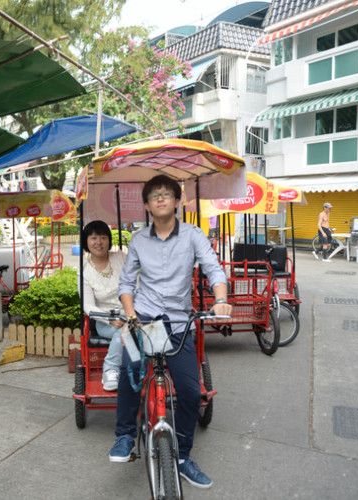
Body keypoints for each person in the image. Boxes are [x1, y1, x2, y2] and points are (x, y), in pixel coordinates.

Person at [110, 174, 233, 490]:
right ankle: (125, 436)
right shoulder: (138, 240)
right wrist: (131, 314)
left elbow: (214, 268)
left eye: (166, 193)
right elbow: (126, 284)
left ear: (178, 200)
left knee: (192, 392)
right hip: (144, 322)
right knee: (129, 371)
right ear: (148, 205)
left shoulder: (193, 235)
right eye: (154, 195)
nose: (160, 198)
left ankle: (183, 456)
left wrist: (221, 300)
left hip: (179, 325)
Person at [80, 220, 126, 391]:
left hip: (132, 314)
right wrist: (111, 319)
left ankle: (134, 369)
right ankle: (111, 368)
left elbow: (136, 286)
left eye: (103, 237)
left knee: (134, 329)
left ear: (109, 240)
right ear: (86, 241)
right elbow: (88, 306)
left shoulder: (121, 258)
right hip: (106, 322)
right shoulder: (84, 271)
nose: (98, 242)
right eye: (93, 238)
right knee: (124, 330)